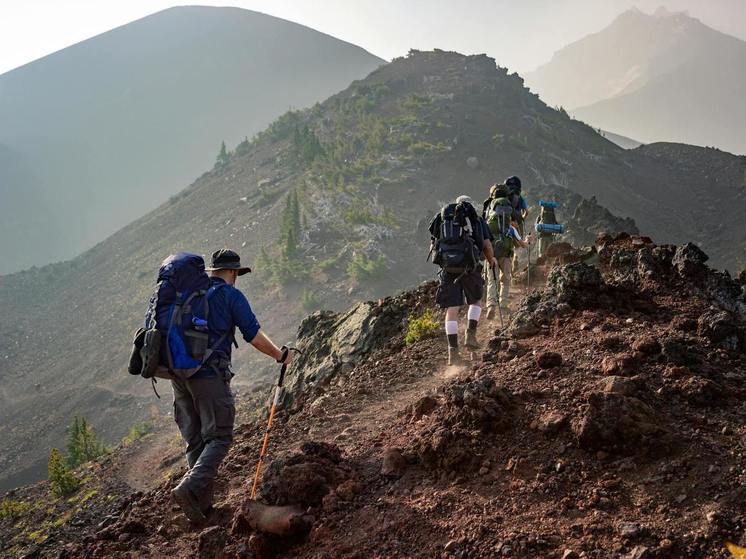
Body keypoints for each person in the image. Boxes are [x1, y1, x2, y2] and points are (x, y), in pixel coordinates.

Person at [170, 249, 294, 523]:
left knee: (196, 440)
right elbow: (253, 335)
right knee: (220, 437)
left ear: (212, 271)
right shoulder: (230, 296)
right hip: (209, 375)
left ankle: (201, 508)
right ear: (234, 272)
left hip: (178, 375)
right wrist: (280, 355)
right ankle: (189, 488)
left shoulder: (190, 294)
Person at [429, 195, 496, 365]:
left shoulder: (442, 219)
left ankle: (453, 353)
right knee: (475, 301)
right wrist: (491, 261)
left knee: (451, 310)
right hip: (469, 267)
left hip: (448, 269)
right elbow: (487, 245)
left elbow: (433, 244)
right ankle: (470, 335)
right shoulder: (476, 220)